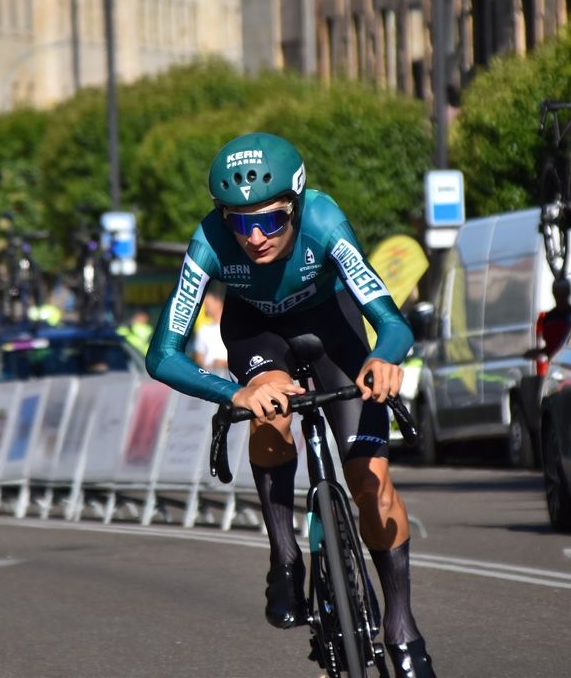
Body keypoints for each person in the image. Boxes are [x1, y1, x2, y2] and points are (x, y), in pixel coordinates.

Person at [145, 132, 436, 678]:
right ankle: (284, 556)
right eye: (239, 222)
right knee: (271, 410)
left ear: (296, 206)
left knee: (371, 483)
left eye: (272, 220)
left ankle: (401, 626)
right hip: (257, 334)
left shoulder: (324, 220)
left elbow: (391, 321)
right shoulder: (209, 242)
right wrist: (236, 392)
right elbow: (161, 355)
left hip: (333, 326)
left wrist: (384, 358)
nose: (254, 237)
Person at [539, 277, 571, 360]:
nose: (561, 299)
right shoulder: (548, 318)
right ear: (553, 294)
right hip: (553, 364)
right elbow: (550, 347)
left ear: (569, 293)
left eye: (564, 295)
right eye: (558, 295)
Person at [191, 287, 229, 376]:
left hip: (230, 378)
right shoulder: (203, 330)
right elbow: (198, 357)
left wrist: (224, 364)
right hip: (209, 377)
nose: (205, 308)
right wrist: (204, 365)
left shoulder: (234, 328)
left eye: (208, 305)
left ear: (218, 302)